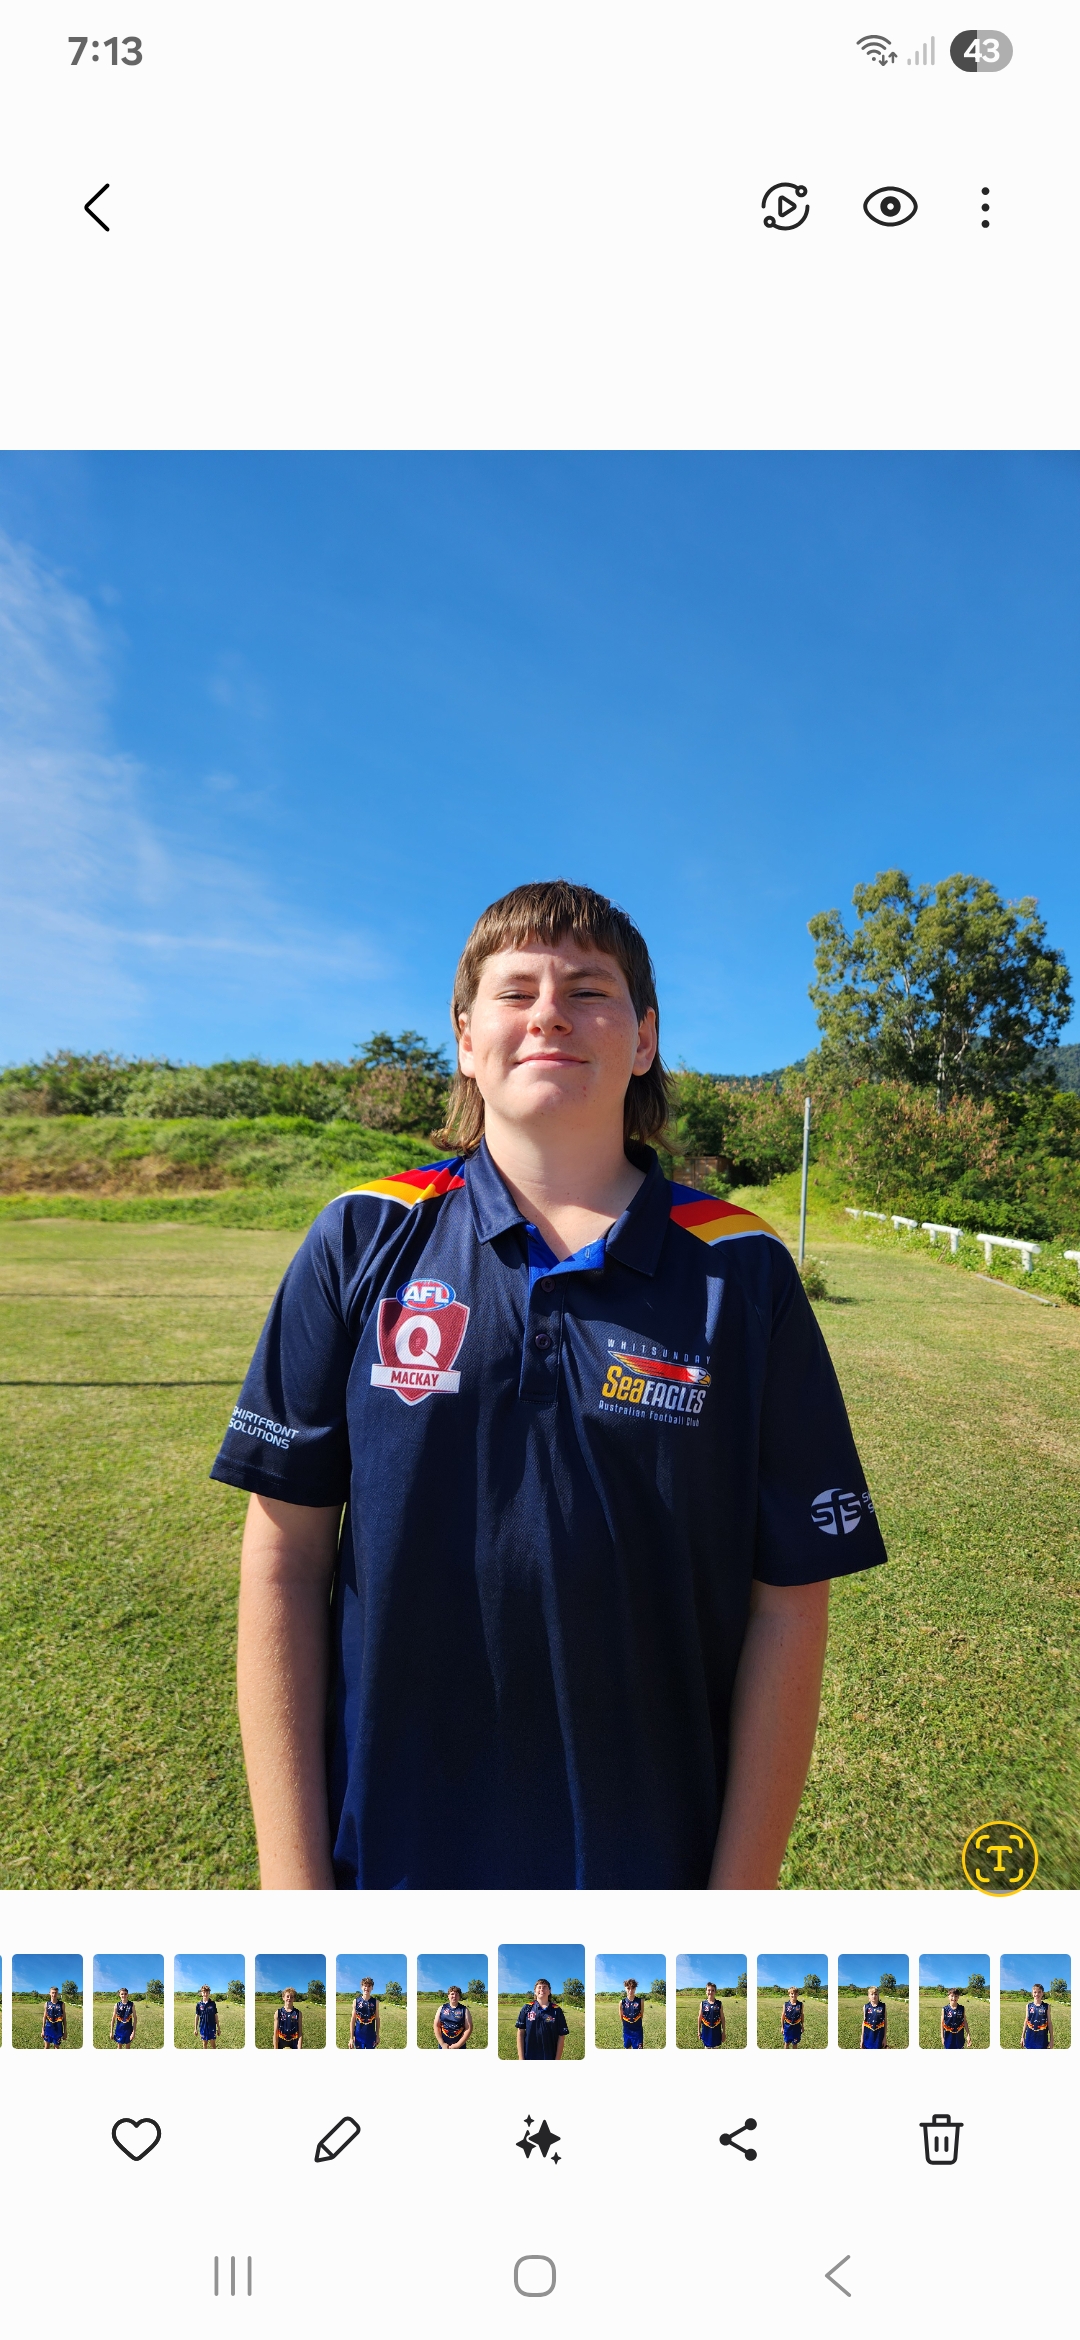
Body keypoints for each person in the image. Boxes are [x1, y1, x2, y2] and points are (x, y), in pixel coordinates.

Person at [215, 880, 887, 1891]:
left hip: (650, 1875)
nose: (549, 1015)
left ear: (645, 1037)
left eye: (588, 990)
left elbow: (790, 1604)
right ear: (465, 1038)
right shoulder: (361, 1234)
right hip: (385, 1863)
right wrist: (291, 1893)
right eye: (515, 990)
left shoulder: (744, 1271)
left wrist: (735, 1910)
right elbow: (283, 1561)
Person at [517, 1979, 569, 2061]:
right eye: (539, 1987)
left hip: (550, 2056)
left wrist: (557, 2060)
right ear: (535, 1991)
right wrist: (521, 2058)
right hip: (529, 2056)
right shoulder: (527, 2008)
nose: (542, 1989)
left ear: (549, 1991)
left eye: (545, 1987)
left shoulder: (557, 2010)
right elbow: (520, 2032)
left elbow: (561, 2036)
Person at [434, 1986, 472, 2050]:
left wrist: (458, 2045)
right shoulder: (442, 2008)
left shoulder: (464, 2010)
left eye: (457, 1994)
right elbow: (436, 2025)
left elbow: (468, 2028)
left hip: (460, 2045)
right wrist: (442, 2043)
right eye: (452, 1994)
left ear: (459, 1997)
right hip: (444, 2044)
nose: (454, 1996)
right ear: (448, 1996)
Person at [350, 1978, 380, 2049]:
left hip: (371, 2036)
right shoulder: (356, 2001)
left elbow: (377, 2019)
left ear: (372, 1988)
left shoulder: (376, 2002)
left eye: (369, 1986)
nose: (367, 1988)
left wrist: (377, 2035)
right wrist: (351, 2038)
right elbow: (353, 2019)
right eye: (365, 1986)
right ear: (361, 1987)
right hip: (358, 2036)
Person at [1021, 1983, 1053, 2050]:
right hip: (1030, 2038)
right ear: (1032, 1993)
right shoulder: (1028, 2006)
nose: (1037, 1994)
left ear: (1042, 1993)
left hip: (1042, 2039)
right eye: (1035, 1992)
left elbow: (1049, 2023)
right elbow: (1026, 2021)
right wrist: (1022, 2037)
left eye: (1039, 1992)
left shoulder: (1046, 2006)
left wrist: (1051, 2039)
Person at [698, 1983, 726, 2048]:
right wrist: (698, 2031)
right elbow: (699, 2018)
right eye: (709, 1990)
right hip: (706, 2031)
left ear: (715, 1992)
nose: (710, 1992)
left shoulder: (719, 2003)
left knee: (715, 2048)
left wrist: (724, 2032)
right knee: (707, 2047)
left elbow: (722, 2018)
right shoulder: (702, 2003)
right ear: (706, 1991)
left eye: (713, 1990)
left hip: (716, 2031)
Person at [620, 1979, 645, 2049]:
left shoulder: (640, 2001)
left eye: (633, 1988)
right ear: (625, 1988)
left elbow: (641, 2015)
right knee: (627, 2048)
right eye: (628, 1988)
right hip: (627, 2031)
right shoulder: (622, 2002)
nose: (630, 1991)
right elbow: (621, 2017)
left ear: (635, 1988)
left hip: (637, 2031)